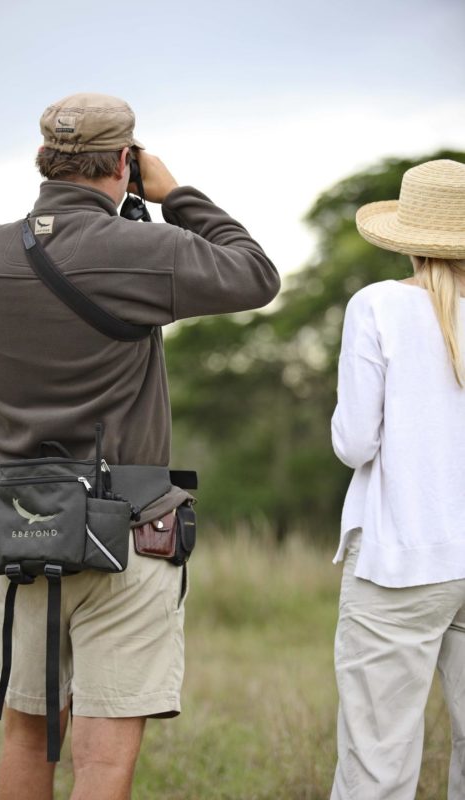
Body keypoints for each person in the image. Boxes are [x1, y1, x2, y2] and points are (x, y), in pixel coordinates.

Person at [0, 92, 280, 800]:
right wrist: (177, 195)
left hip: (20, 528)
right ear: (126, 162)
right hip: (125, 530)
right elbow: (255, 275)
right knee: (101, 758)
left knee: (26, 733)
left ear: (43, 159)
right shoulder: (143, 248)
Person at [330, 158, 465, 800]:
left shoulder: (378, 305)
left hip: (400, 562)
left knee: (377, 764)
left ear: (408, 236)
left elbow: (355, 443)